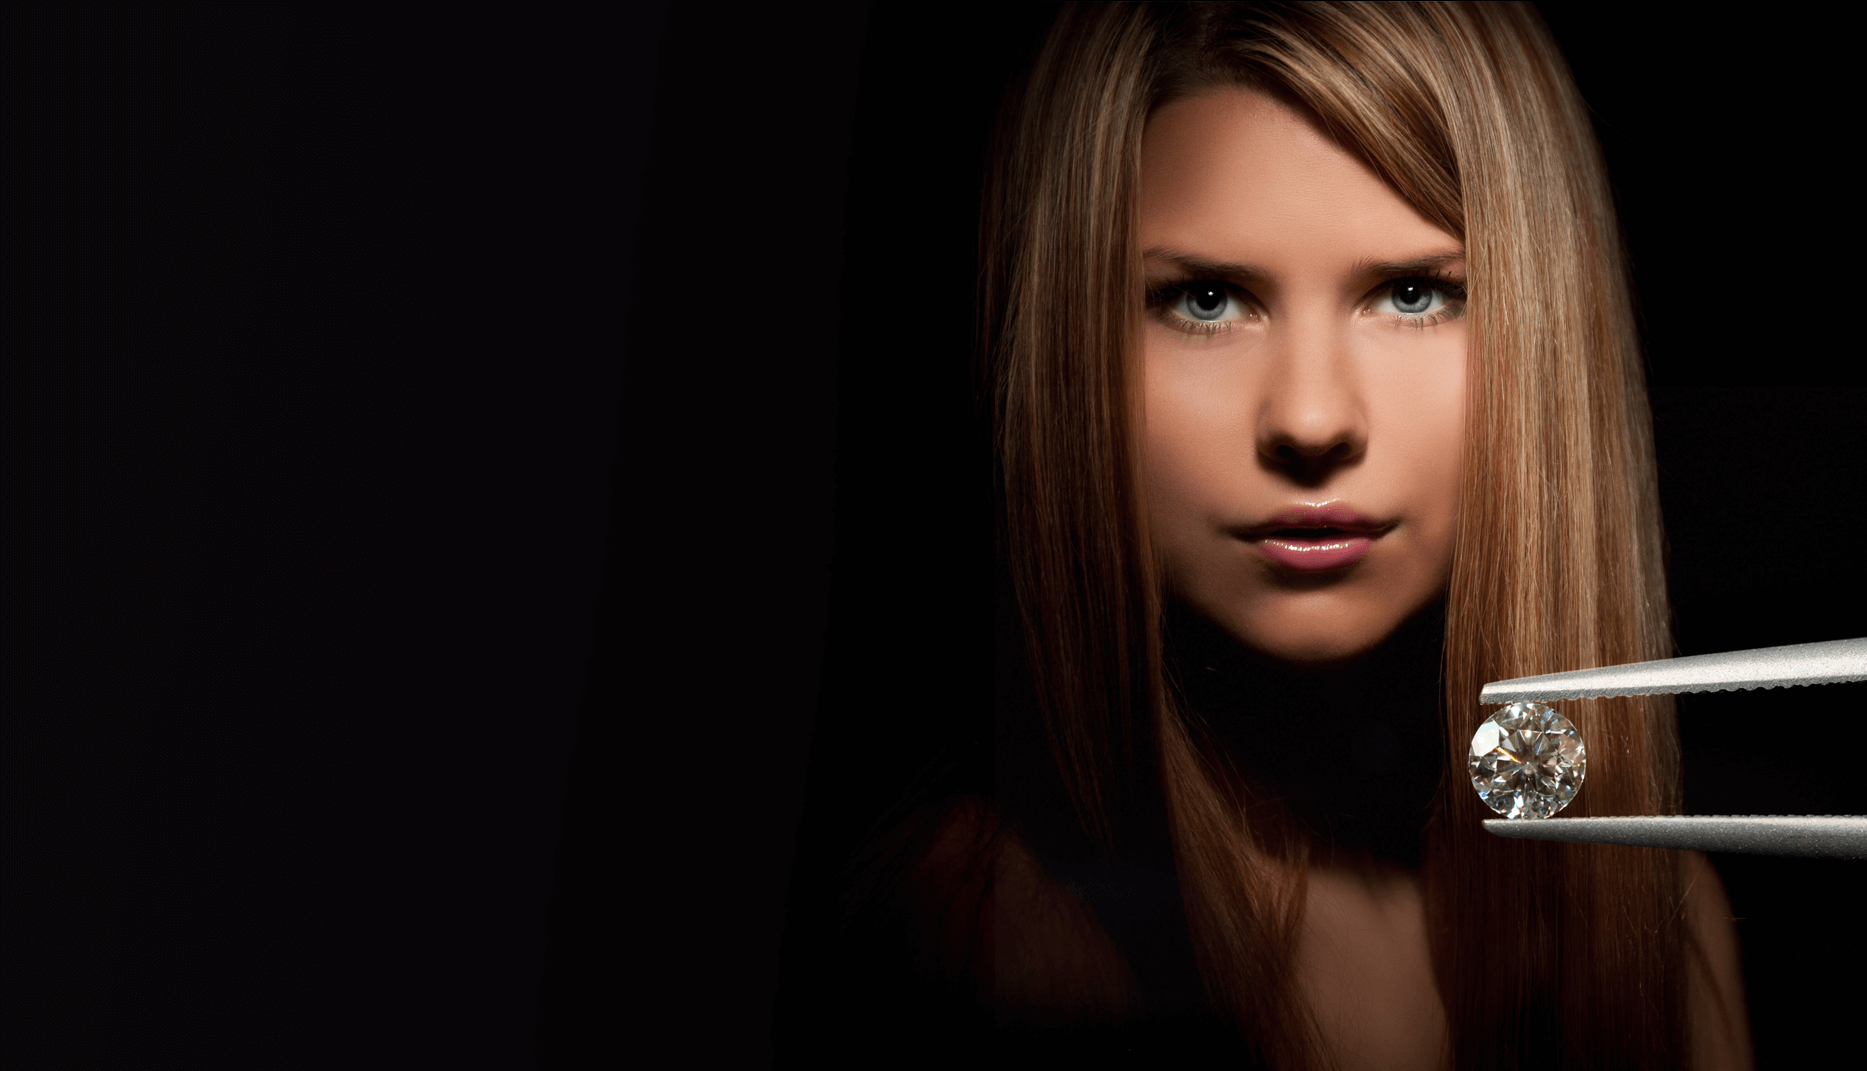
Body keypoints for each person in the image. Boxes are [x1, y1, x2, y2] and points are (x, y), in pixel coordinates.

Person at [775, 4, 1750, 1067]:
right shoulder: (965, 938)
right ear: (1065, 345)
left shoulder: (1659, 919)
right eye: (1203, 300)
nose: (1311, 420)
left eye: (1413, 293)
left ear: (1544, 331)